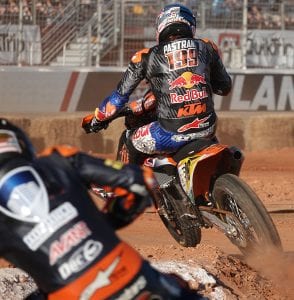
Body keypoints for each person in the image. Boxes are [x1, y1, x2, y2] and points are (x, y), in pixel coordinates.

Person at [0, 118, 203, 299]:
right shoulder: (58, 158)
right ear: (21, 143)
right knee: (178, 285)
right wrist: (102, 225)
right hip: (134, 274)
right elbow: (141, 180)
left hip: (71, 291)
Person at [82, 3, 232, 165]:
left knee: (129, 140)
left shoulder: (145, 57)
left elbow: (116, 100)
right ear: (190, 25)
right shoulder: (207, 46)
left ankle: (122, 186)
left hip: (169, 134)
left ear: (161, 26)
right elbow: (225, 88)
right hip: (207, 129)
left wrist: (98, 119)